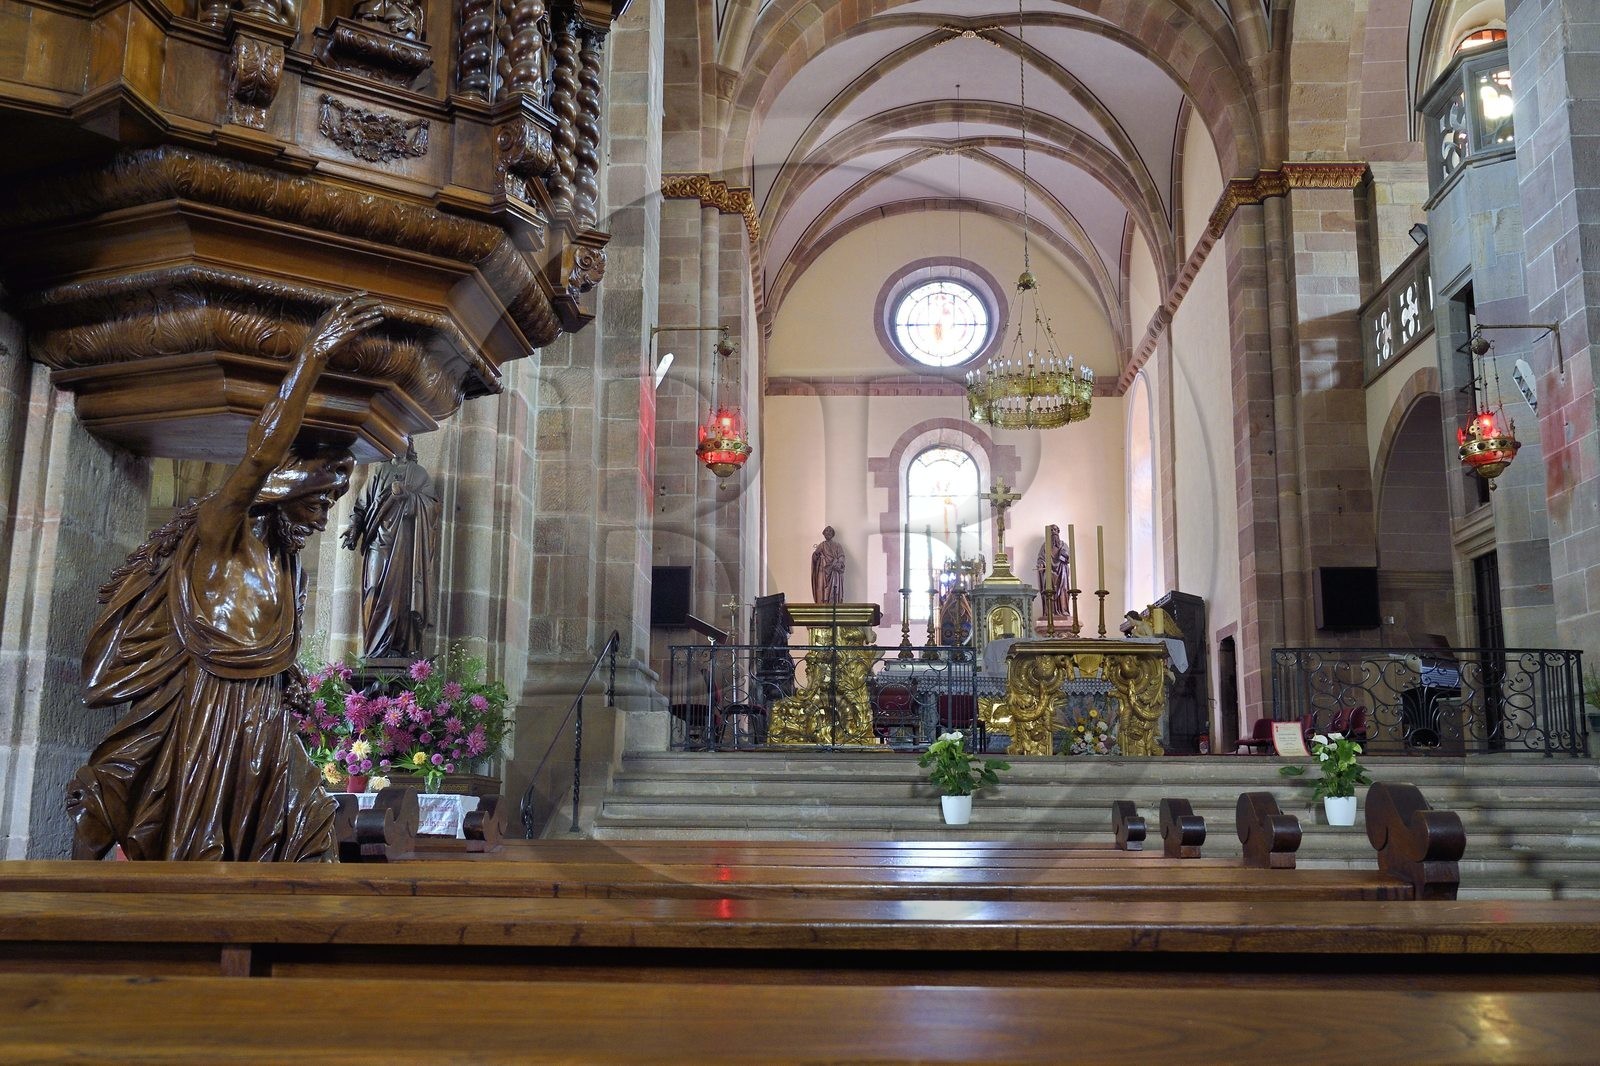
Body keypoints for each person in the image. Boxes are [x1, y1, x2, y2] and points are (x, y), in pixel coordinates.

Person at [66, 294, 384, 862]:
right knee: (188, 849)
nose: (324, 515)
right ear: (285, 495)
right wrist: (312, 355)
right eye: (318, 501)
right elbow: (259, 460)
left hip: (261, 727)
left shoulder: (290, 569)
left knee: (311, 829)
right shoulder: (220, 536)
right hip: (204, 722)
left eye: (334, 501)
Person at [342, 441, 439, 660]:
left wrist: (408, 497)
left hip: (405, 546)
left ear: (410, 446)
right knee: (373, 589)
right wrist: (353, 529)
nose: (399, 445)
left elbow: (432, 506)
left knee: (402, 595)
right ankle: (374, 648)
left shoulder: (419, 474)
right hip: (378, 543)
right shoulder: (380, 471)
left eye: (405, 441)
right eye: (396, 439)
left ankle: (399, 646)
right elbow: (361, 506)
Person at [1036, 524, 1070, 619]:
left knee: (1063, 591)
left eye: (1055, 530)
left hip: (1061, 573)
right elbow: (1040, 559)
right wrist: (1041, 564)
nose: (1053, 532)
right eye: (1051, 530)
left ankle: (1063, 611)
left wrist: (1064, 556)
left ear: (1058, 531)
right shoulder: (1045, 547)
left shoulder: (1063, 545)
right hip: (1049, 573)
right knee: (1049, 589)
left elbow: (1068, 558)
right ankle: (1050, 612)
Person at [810, 525, 846, 603]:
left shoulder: (837, 545)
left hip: (834, 571)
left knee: (834, 591)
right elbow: (815, 558)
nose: (828, 533)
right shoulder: (821, 545)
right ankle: (821, 603)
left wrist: (838, 563)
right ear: (824, 533)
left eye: (830, 531)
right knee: (821, 587)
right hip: (823, 572)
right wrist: (816, 554)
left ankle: (833, 603)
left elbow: (841, 556)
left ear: (833, 534)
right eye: (826, 531)